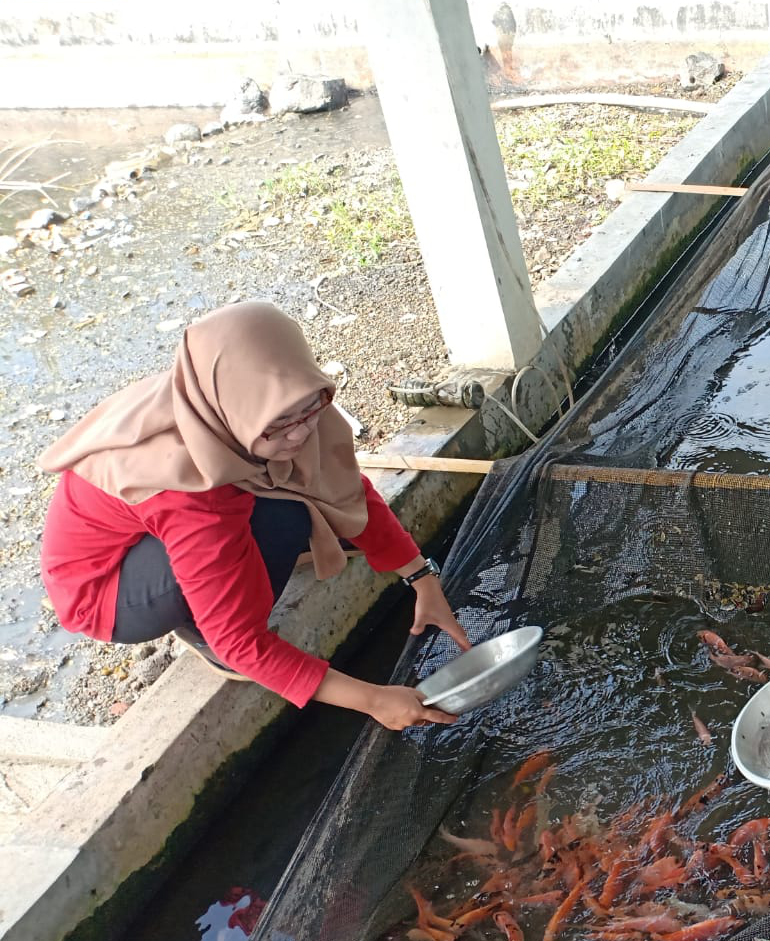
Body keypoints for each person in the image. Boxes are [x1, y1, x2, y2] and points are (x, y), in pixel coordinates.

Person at [39, 301, 470, 730]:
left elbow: (346, 486)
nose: (301, 432)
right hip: (110, 591)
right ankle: (197, 626)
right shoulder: (192, 491)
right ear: (236, 410)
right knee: (284, 519)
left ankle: (246, 563)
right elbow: (241, 642)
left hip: (173, 522)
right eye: (281, 423)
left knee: (297, 489)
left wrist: (421, 577)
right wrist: (375, 699)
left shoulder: (254, 405)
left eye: (311, 408)